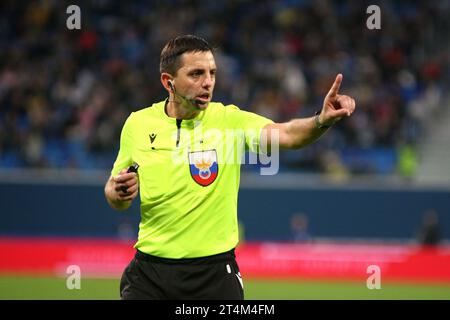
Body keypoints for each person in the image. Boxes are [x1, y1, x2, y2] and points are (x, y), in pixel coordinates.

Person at [104, 35, 356, 299]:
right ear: (169, 82)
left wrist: (321, 120)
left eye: (212, 72)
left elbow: (288, 135)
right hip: (149, 276)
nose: (208, 82)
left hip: (213, 278)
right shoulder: (138, 124)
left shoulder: (230, 121)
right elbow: (115, 192)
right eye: (196, 74)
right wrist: (118, 192)